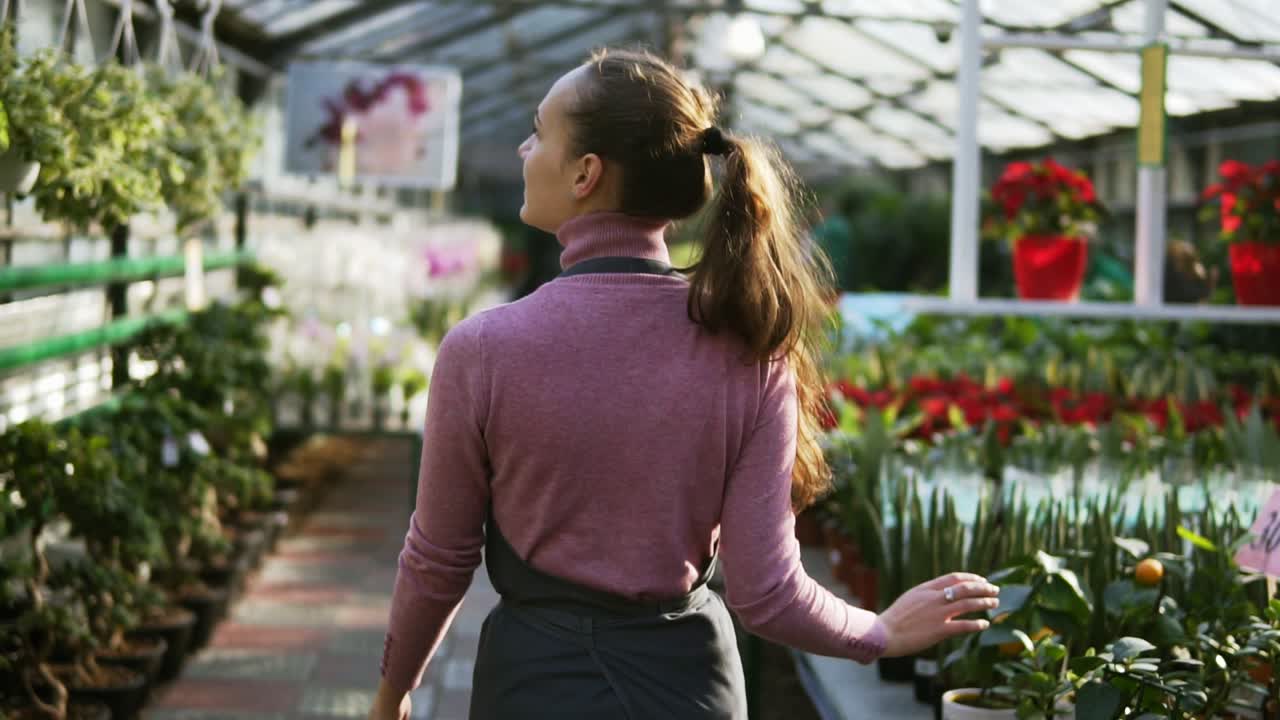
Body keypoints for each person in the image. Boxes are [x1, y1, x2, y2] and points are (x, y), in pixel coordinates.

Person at [369, 48, 999, 720]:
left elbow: (439, 560)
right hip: (691, 689)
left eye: (539, 132)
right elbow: (767, 593)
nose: (526, 147)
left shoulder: (483, 350)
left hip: (533, 688)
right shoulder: (751, 352)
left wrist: (392, 692)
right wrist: (880, 632)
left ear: (586, 173)